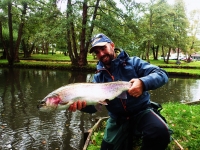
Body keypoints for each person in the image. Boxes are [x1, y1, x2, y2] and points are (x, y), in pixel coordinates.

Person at [68, 33, 171, 150]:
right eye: (97, 52)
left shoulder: (134, 63)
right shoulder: (98, 78)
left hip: (142, 111)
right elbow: (94, 107)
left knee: (161, 133)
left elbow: (162, 74)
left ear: (112, 45)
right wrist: (82, 105)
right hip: (117, 119)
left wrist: (143, 83)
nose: (101, 54)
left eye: (103, 48)